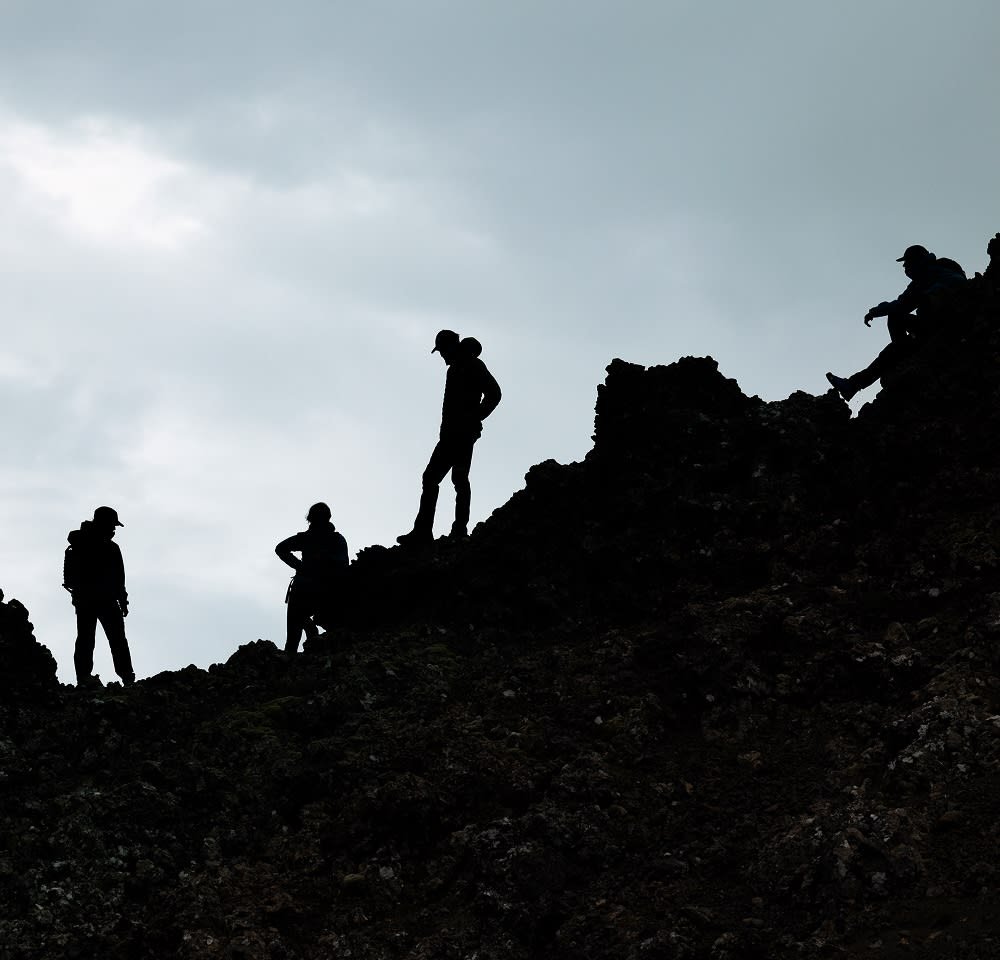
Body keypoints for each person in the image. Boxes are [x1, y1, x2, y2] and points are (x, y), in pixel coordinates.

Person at [397, 330, 502, 546]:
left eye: (443, 351)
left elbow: (494, 393)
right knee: (453, 479)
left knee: (439, 478)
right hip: (454, 433)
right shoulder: (456, 368)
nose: (442, 356)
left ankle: (433, 531)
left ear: (451, 347)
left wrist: (475, 417)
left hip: (460, 433)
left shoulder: (472, 365)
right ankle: (446, 530)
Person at [826, 244, 967, 402]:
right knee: (890, 350)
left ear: (917, 260)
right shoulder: (918, 283)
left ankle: (901, 352)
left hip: (948, 326)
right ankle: (853, 385)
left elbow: (957, 282)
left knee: (893, 349)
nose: (905, 267)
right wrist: (876, 311)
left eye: (907, 262)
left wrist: (931, 295)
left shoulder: (938, 269)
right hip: (928, 329)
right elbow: (901, 304)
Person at [63, 506, 135, 687]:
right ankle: (127, 678)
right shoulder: (110, 548)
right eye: (112, 525)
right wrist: (122, 601)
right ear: (104, 523)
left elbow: (118, 579)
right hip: (104, 600)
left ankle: (83, 678)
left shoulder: (79, 542)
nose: (114, 529)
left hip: (84, 600)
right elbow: (119, 579)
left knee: (86, 639)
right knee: (116, 640)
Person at [275, 502, 349, 654]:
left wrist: (301, 566)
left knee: (292, 641)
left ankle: (304, 641)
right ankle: (309, 632)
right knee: (295, 637)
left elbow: (280, 548)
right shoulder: (334, 539)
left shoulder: (310, 538)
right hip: (323, 590)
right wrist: (301, 566)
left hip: (315, 589)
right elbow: (343, 565)